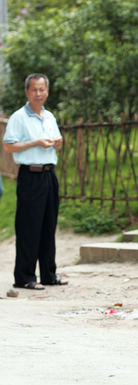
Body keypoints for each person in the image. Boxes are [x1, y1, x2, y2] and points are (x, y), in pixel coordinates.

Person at [3, 73, 68, 290]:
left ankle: (49, 274)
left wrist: (57, 143)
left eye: (42, 89)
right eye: (34, 89)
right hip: (30, 175)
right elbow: (8, 146)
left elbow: (56, 143)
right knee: (29, 226)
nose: (38, 93)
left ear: (47, 92)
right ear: (27, 92)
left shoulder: (49, 116)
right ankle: (24, 277)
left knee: (48, 226)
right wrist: (35, 143)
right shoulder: (18, 117)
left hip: (50, 174)